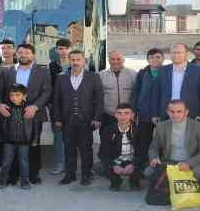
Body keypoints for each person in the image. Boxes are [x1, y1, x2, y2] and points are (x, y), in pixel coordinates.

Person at [0, 43, 52, 185]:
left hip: (33, 114)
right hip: (11, 115)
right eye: (20, 52)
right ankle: (12, 175)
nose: (24, 55)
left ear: (33, 55)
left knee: (33, 144)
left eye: (27, 52)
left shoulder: (43, 71)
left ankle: (33, 174)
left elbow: (47, 92)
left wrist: (35, 107)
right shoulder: (7, 71)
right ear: (16, 54)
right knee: (11, 144)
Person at [52, 50, 103, 186]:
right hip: (67, 120)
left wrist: (97, 118)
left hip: (86, 120)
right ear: (69, 61)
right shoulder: (61, 78)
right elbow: (56, 101)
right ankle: (70, 174)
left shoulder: (93, 77)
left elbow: (99, 100)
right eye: (73, 60)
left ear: (84, 61)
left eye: (78, 60)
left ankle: (86, 174)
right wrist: (57, 119)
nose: (75, 62)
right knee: (69, 148)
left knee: (86, 149)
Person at [146, 100, 200, 182]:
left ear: (186, 112)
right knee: (149, 172)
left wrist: (188, 163)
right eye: (172, 112)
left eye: (179, 111)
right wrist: (154, 158)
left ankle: (191, 189)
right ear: (167, 112)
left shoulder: (198, 127)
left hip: (191, 161)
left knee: (199, 172)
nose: (175, 115)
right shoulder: (161, 126)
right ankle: (168, 187)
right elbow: (153, 148)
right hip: (169, 161)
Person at [0, 83, 41, 190]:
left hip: (24, 141)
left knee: (24, 162)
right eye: (11, 95)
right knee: (6, 162)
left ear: (24, 96)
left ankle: (25, 182)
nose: (14, 98)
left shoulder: (29, 109)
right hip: (9, 141)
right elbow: (0, 125)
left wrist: (35, 139)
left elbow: (36, 125)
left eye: (17, 95)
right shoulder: (6, 108)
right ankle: (2, 181)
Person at [98, 50, 136, 171]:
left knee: (129, 141)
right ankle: (109, 166)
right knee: (107, 142)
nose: (115, 62)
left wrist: (135, 113)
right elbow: (97, 97)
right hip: (108, 116)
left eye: (118, 59)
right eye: (112, 59)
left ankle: (130, 164)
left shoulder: (132, 74)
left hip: (128, 117)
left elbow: (137, 94)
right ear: (108, 60)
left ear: (123, 60)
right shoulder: (101, 75)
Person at [157, 43, 200, 123]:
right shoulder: (162, 70)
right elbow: (156, 93)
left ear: (186, 54)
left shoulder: (198, 70)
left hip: (191, 115)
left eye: (179, 52)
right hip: (166, 115)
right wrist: (155, 114)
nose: (176, 55)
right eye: (173, 52)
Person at [131, 48, 164, 167]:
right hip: (144, 114)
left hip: (162, 114)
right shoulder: (142, 73)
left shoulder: (167, 72)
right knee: (144, 140)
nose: (155, 60)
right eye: (151, 57)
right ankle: (144, 163)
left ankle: (160, 163)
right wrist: (133, 110)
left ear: (163, 59)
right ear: (147, 60)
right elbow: (136, 92)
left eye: (158, 57)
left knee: (162, 140)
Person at [100, 103, 142, 191]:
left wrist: (133, 164)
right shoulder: (108, 130)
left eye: (127, 113)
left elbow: (143, 153)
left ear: (132, 115)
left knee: (145, 165)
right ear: (115, 115)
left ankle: (134, 181)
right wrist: (114, 165)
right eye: (119, 113)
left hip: (132, 160)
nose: (123, 116)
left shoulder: (139, 130)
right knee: (99, 167)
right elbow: (102, 153)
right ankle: (116, 181)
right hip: (117, 160)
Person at [48, 38, 71, 175]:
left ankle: (71, 165)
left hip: (73, 106)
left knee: (74, 136)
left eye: (65, 48)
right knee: (58, 137)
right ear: (57, 50)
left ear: (70, 49)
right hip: (56, 107)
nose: (63, 51)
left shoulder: (76, 64)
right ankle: (59, 164)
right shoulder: (52, 66)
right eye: (60, 49)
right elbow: (49, 87)